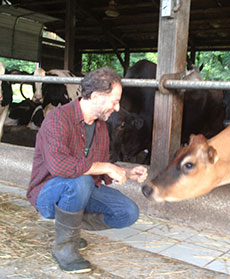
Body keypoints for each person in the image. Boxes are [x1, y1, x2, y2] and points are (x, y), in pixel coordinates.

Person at [27, 67, 148, 274]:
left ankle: (69, 231)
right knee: (80, 181)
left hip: (80, 188)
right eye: (114, 101)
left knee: (128, 212)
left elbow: (100, 167)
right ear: (96, 96)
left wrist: (126, 172)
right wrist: (107, 167)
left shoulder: (101, 127)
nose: (117, 108)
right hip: (47, 193)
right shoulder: (58, 118)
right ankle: (64, 248)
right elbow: (59, 165)